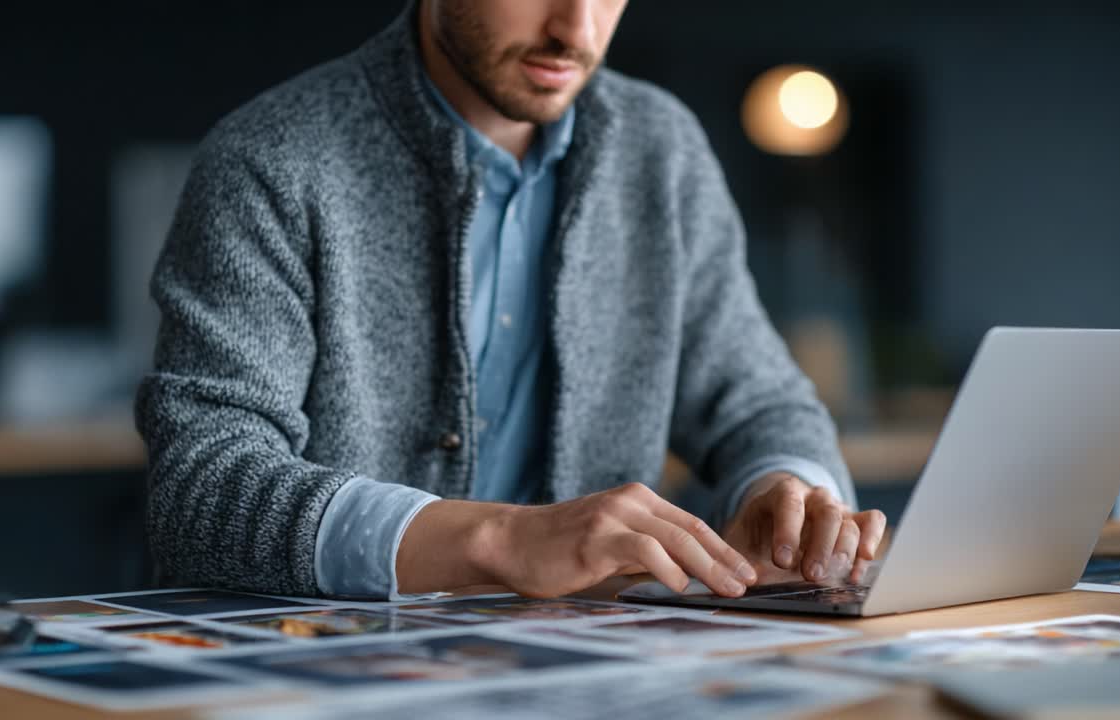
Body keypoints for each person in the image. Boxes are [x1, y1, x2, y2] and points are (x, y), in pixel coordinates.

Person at [136, 0, 886, 601]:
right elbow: (201, 487)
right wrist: (502, 541)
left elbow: (760, 406)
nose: (577, 30)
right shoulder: (271, 157)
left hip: (591, 679)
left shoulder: (663, 151)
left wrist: (789, 494)